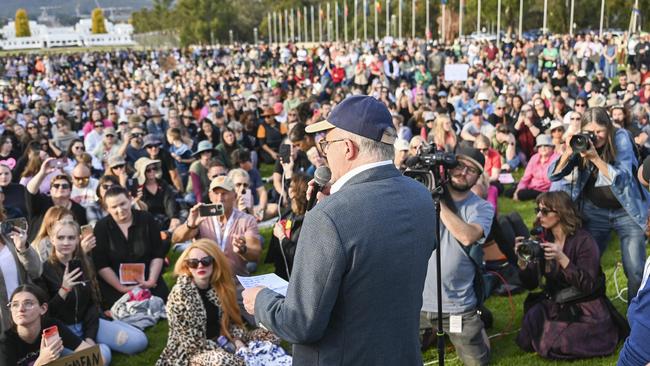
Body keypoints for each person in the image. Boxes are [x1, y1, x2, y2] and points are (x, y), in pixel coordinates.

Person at [243, 95, 436, 365]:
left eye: (326, 143)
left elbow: (301, 323)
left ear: (348, 148)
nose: (324, 153)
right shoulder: (421, 196)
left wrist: (260, 301)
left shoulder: (329, 217)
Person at [550, 107, 649, 301]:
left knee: (635, 270)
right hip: (594, 211)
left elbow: (623, 178)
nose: (595, 137)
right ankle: (596, 312)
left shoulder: (620, 137)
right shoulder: (581, 141)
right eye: (590, 132)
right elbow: (553, 174)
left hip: (627, 211)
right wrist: (568, 151)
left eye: (600, 131)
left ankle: (636, 320)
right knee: (588, 265)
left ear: (609, 128)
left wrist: (594, 157)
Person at [515, 191, 628, 359]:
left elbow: (588, 284)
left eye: (545, 211)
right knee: (530, 328)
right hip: (557, 302)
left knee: (559, 341)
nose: (539, 215)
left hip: (585, 306)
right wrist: (522, 261)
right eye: (537, 210)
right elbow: (530, 284)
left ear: (561, 213)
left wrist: (562, 258)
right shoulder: (543, 239)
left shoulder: (584, 241)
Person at [420, 146, 494, 365]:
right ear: (448, 166)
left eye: (471, 170)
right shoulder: (419, 196)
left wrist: (438, 201)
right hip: (417, 304)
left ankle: (475, 332)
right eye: (459, 165)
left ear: (478, 177)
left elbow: (467, 236)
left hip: (458, 307)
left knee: (478, 362)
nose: (463, 172)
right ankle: (432, 332)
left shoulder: (481, 207)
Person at [38, 220, 148, 364]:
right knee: (103, 356)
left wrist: (90, 336)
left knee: (139, 341)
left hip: (88, 323)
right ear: (52, 239)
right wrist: (64, 290)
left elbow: (92, 303)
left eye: (71, 238)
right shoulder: (44, 270)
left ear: (78, 239)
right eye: (60, 237)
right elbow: (46, 315)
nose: (66, 242)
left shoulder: (85, 263)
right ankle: (98, 347)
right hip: (62, 332)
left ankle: (100, 338)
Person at [157, 239, 249, 365]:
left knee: (268, 336)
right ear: (187, 265)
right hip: (190, 354)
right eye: (193, 263)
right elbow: (192, 344)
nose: (200, 266)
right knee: (225, 360)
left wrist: (238, 341)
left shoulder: (220, 286)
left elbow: (231, 321)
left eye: (206, 261)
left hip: (222, 341)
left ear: (215, 262)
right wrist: (228, 350)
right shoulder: (180, 294)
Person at [91, 186, 169, 309]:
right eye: (114, 207)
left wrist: (151, 281)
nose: (120, 209)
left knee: (160, 303)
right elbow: (101, 264)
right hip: (116, 283)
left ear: (130, 199)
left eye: (123, 204)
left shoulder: (146, 218)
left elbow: (158, 253)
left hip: (149, 278)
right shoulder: (101, 227)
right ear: (107, 209)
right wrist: (121, 288)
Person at [0, 285, 97, 366]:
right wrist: (41, 361)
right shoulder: (5, 344)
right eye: (15, 305)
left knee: (104, 353)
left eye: (28, 303)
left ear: (43, 309)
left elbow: (89, 353)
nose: (20, 309)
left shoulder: (52, 327)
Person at [25, 158, 88, 242]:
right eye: (56, 186)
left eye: (65, 186)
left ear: (70, 190)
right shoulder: (41, 202)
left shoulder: (79, 210)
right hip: (38, 248)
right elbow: (30, 190)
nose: (61, 188)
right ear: (50, 190)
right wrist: (42, 173)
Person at [265, 173, 309, 280]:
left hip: (298, 278)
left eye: (291, 187)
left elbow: (300, 258)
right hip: (282, 273)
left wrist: (281, 237)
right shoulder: (289, 212)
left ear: (295, 193)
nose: (288, 189)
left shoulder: (308, 221)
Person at [508, 135, 559, 201]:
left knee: (521, 194)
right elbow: (526, 177)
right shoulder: (534, 157)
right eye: (540, 146)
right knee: (509, 192)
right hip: (532, 186)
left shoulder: (556, 158)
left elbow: (553, 180)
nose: (543, 148)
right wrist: (517, 190)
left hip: (546, 190)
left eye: (546, 145)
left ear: (552, 147)